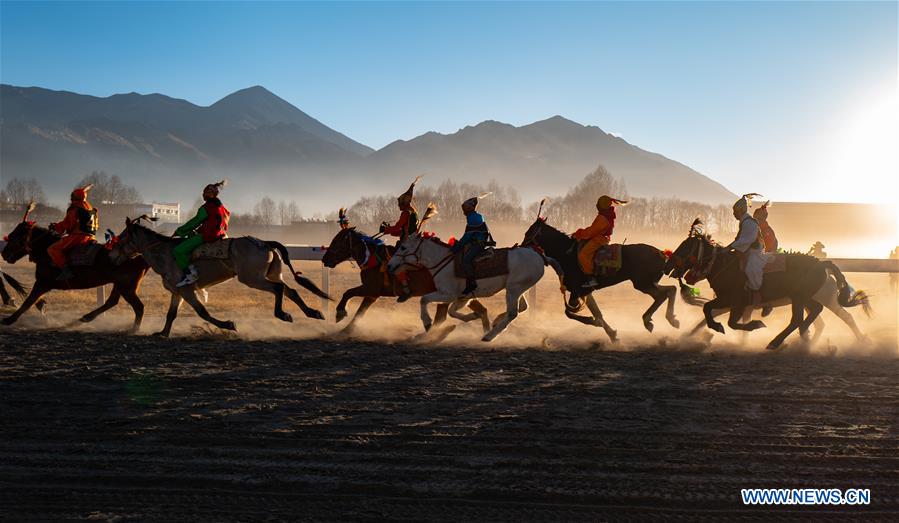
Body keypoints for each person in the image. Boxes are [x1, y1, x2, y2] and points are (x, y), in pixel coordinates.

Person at [173, 180, 230, 287]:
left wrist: (180, 231)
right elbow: (214, 222)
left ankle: (191, 274)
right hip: (221, 235)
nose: (203, 194)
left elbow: (195, 222)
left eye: (205, 192)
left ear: (210, 194)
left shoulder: (207, 207)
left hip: (209, 236)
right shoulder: (223, 209)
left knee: (178, 251)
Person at [379, 176, 421, 302]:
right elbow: (402, 231)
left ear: (404, 203)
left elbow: (398, 227)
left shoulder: (405, 213)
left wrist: (385, 230)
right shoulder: (414, 213)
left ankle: (406, 288)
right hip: (412, 241)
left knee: (393, 263)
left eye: (399, 204)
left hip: (407, 243)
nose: (398, 206)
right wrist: (389, 232)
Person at [726, 193, 771, 306]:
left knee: (751, 268)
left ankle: (757, 294)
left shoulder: (749, 223)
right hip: (747, 251)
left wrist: (731, 246)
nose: (734, 214)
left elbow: (747, 239)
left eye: (735, 211)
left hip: (754, 252)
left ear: (741, 211)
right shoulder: (744, 222)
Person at [572, 195, 627, 288]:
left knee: (583, 255)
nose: (597, 205)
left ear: (602, 205)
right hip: (602, 238)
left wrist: (579, 233)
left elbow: (591, 232)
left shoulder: (602, 218)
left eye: (598, 204)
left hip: (599, 240)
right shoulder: (608, 215)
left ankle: (591, 278)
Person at [48, 184, 99, 281]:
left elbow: (68, 225)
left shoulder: (75, 208)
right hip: (91, 238)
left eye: (72, 196)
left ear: (74, 197)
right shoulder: (91, 208)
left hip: (78, 237)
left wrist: (55, 227)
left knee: (52, 249)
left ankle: (66, 270)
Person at [451, 193, 493, 295]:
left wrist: (457, 246)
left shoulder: (474, 218)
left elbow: (467, 236)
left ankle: (471, 283)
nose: (463, 211)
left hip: (478, 243)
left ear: (470, 208)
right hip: (476, 242)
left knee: (466, 260)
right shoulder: (474, 216)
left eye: (465, 209)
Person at [753, 201, 778, 316]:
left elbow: (768, 247)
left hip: (768, 256)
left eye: (756, 217)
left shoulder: (766, 230)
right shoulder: (758, 228)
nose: (754, 219)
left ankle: (766, 302)